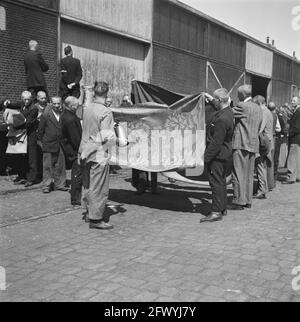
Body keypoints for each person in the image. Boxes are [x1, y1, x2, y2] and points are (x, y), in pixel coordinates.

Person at [79, 81, 116, 230]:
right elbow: (104, 136)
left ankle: (88, 212)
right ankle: (96, 218)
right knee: (99, 186)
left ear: (94, 93)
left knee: (87, 183)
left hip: (83, 149)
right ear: (107, 94)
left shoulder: (87, 108)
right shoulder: (106, 112)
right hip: (97, 152)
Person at [200, 88, 234, 223]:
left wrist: (205, 158)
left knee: (216, 184)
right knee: (221, 183)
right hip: (224, 154)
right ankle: (222, 207)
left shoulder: (221, 119)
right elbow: (218, 104)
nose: (214, 101)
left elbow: (216, 142)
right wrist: (209, 97)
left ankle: (216, 211)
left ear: (220, 100)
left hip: (218, 156)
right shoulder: (228, 111)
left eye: (216, 99)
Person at [229, 85, 263, 211]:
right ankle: (247, 200)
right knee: (249, 174)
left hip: (241, 143)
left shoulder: (242, 106)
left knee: (238, 173)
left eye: (238, 94)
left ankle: (238, 200)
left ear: (243, 95)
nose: (237, 96)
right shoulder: (258, 108)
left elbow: (228, 113)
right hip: (253, 144)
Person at [37, 97, 67, 193]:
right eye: (54, 104)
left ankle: (60, 184)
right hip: (48, 144)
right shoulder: (46, 115)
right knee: (47, 166)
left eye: (58, 103)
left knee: (60, 165)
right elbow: (40, 131)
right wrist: (43, 143)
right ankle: (46, 185)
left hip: (60, 144)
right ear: (50, 104)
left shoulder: (63, 115)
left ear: (61, 104)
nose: (57, 106)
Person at [61, 96, 82, 206]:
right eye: (76, 105)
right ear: (71, 106)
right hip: (74, 151)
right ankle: (75, 198)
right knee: (77, 174)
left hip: (71, 149)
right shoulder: (70, 119)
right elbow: (75, 138)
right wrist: (81, 149)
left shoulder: (66, 115)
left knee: (77, 173)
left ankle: (76, 196)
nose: (77, 107)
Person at [253, 96, 273, 200]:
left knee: (260, 166)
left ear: (258, 103)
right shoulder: (268, 111)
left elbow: (260, 129)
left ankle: (262, 190)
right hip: (267, 142)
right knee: (263, 166)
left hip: (263, 143)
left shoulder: (264, 112)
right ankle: (263, 188)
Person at [283, 97, 300, 184]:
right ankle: (297, 176)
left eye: (294, 101)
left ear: (298, 102)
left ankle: (290, 178)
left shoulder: (298, 111)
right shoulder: (296, 111)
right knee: (297, 158)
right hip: (297, 138)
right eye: (291, 101)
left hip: (295, 138)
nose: (292, 102)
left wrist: (289, 133)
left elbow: (297, 127)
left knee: (292, 158)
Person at [267, 102, 281, 190]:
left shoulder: (266, 114)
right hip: (273, 137)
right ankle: (272, 182)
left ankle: (268, 183)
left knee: (267, 162)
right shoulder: (275, 115)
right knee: (272, 161)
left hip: (267, 138)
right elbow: (279, 128)